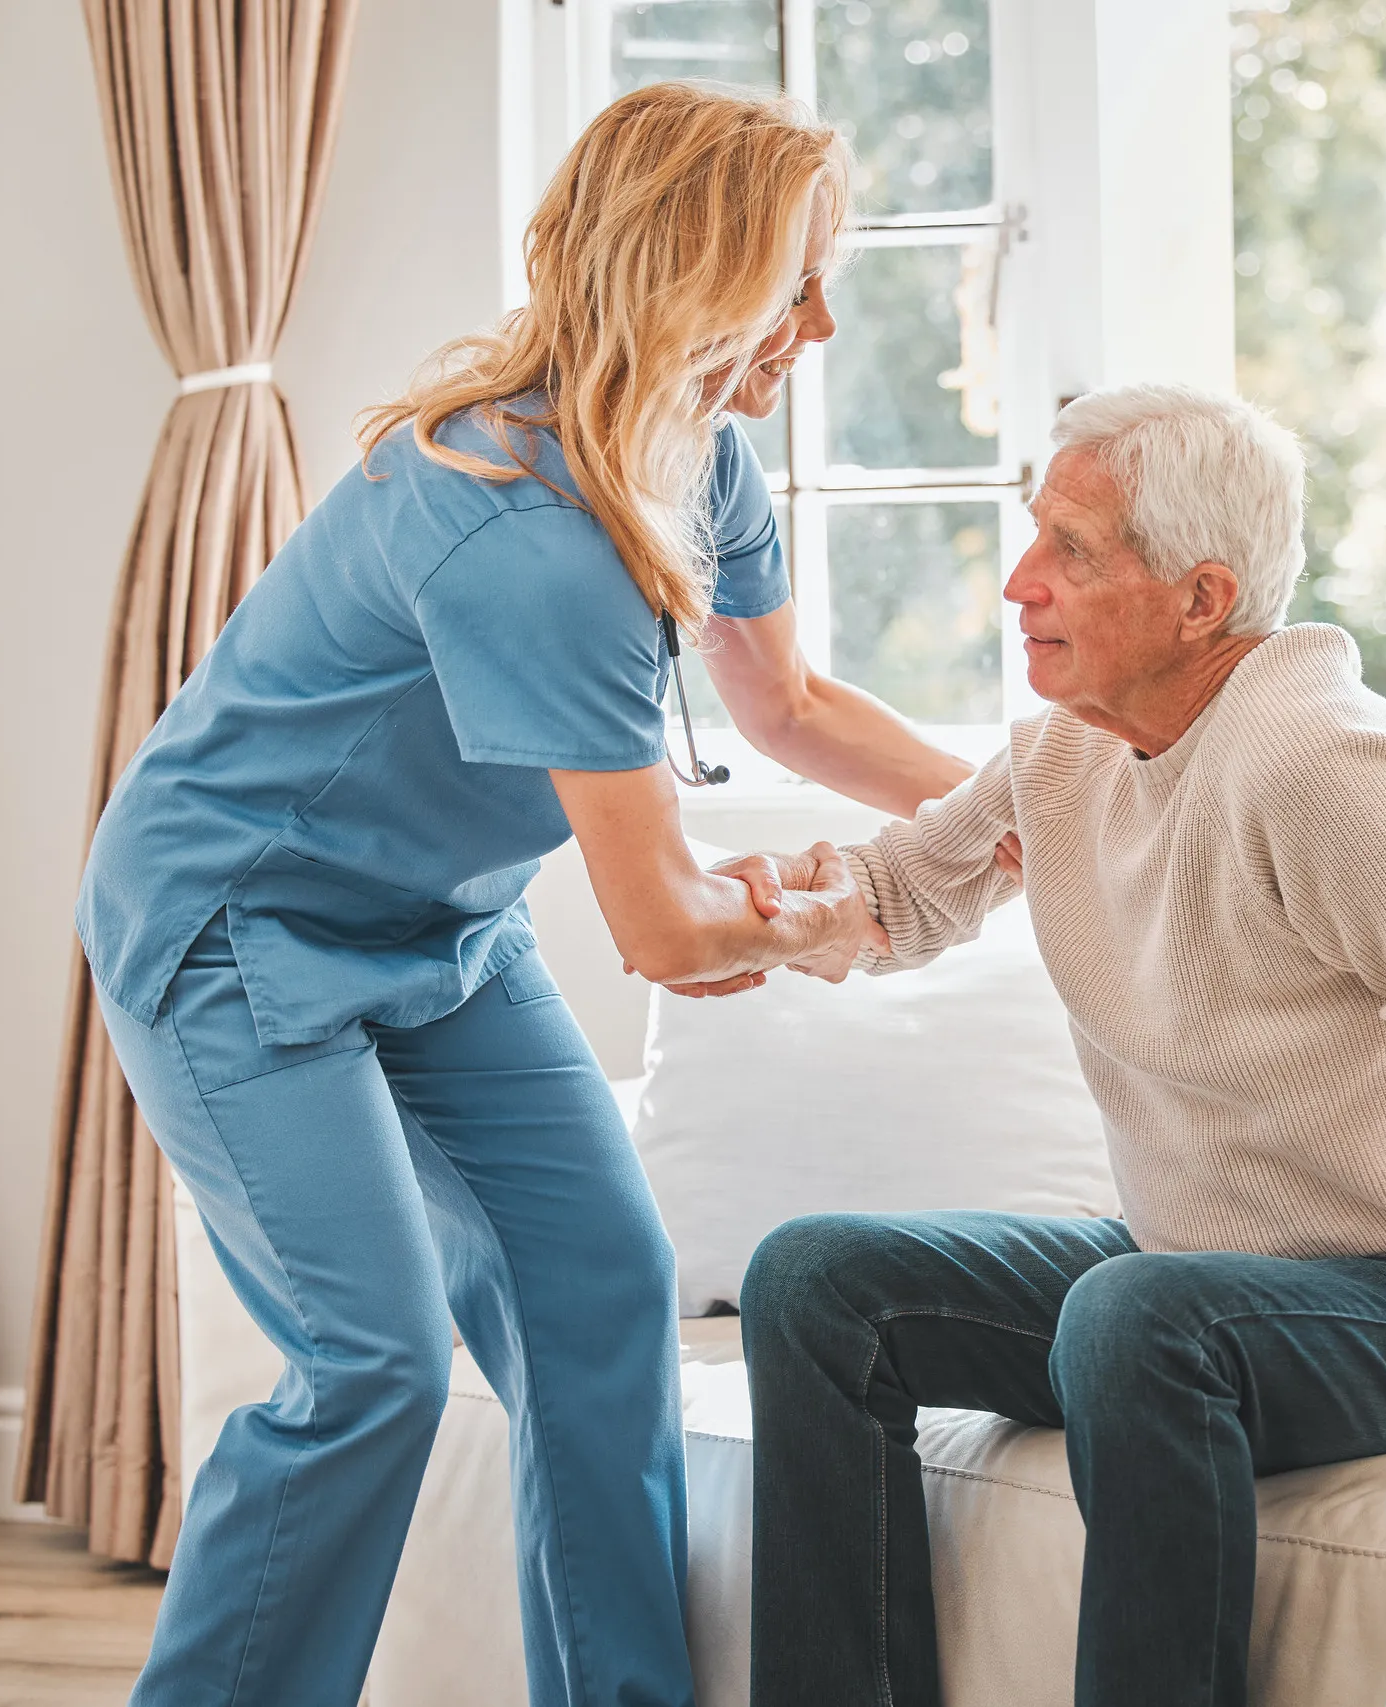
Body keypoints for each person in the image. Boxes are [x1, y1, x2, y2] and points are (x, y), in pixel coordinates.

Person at [75, 85, 939, 1707]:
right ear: (692, 273)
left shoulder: (701, 454)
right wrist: (843, 917)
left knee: (601, 1294)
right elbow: (667, 933)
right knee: (371, 1366)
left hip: (441, 932)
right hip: (234, 925)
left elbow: (791, 711)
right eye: (796, 281)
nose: (820, 324)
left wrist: (1008, 809)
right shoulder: (525, 522)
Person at [740, 384, 1386, 1707]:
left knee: (1132, 1314)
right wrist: (793, 913)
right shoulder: (1073, 747)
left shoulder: (1315, 765)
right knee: (814, 1283)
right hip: (1192, 1275)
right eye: (1033, 536)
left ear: (1201, 598)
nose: (1019, 585)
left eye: (1074, 552)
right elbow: (911, 883)